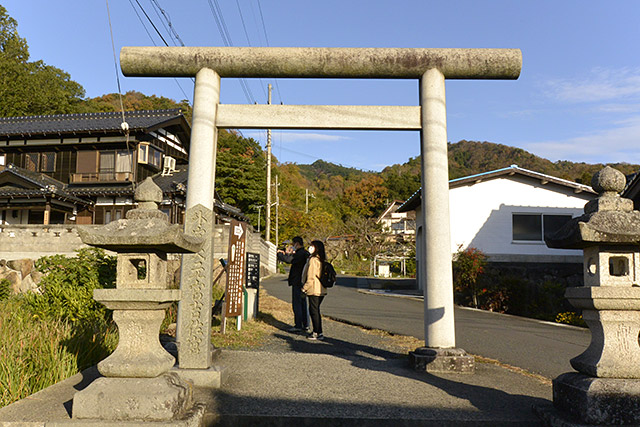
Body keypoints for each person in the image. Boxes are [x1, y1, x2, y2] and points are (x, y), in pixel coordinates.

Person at [277, 236, 310, 333]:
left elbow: (289, 260)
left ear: (297, 244)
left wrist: (279, 254)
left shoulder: (300, 254)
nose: (292, 246)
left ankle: (298, 325)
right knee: (303, 303)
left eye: (293, 244)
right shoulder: (305, 253)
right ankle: (305, 324)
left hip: (297, 281)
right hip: (304, 281)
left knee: (297, 304)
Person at [302, 240, 327, 340]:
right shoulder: (321, 259)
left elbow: (311, 277)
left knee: (314, 311)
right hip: (322, 289)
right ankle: (318, 331)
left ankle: (317, 332)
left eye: (312, 246)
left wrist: (304, 288)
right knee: (316, 310)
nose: (310, 248)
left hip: (314, 289)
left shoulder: (313, 260)